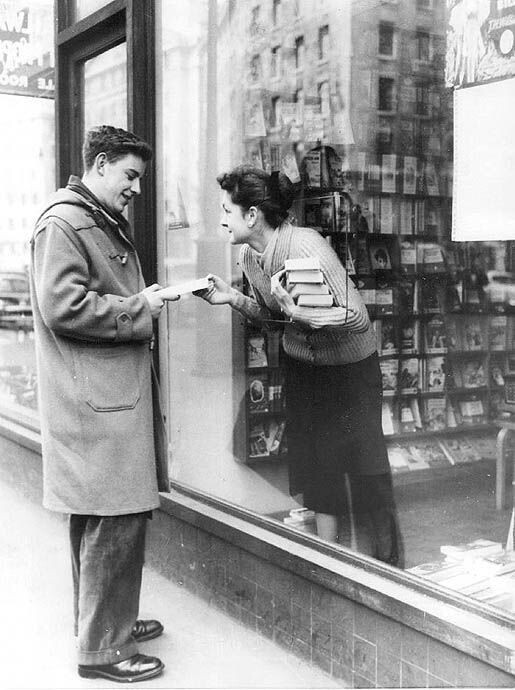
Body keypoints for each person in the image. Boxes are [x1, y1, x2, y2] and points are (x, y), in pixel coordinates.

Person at [30, 125, 178, 683]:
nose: (136, 188)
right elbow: (62, 306)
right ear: (99, 164)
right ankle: (105, 649)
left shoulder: (85, 218)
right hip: (98, 405)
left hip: (104, 399)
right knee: (115, 520)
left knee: (105, 519)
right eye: (130, 175)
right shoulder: (66, 222)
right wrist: (140, 308)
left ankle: (106, 623)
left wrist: (137, 304)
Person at [197, 165, 403, 566]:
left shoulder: (306, 245)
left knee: (367, 471)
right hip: (304, 370)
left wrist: (301, 315)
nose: (221, 219)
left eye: (226, 210)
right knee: (319, 470)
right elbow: (273, 319)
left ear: (252, 215)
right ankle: (330, 561)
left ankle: (387, 568)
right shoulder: (248, 257)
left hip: (350, 370)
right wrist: (233, 299)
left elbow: (358, 318)